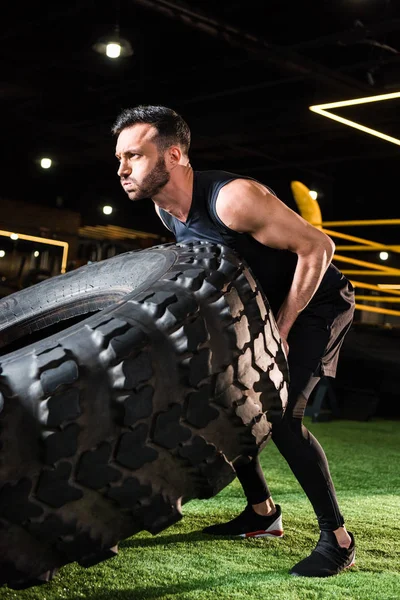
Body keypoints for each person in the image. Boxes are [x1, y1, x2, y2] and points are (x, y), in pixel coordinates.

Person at [111, 105, 356, 578]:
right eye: (119, 158)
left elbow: (319, 247)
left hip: (316, 304)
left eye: (133, 156)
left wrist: (282, 329)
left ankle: (338, 540)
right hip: (261, 307)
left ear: (175, 154)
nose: (121, 169)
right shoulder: (166, 211)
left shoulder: (232, 199)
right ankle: (263, 512)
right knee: (226, 404)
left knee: (284, 418)